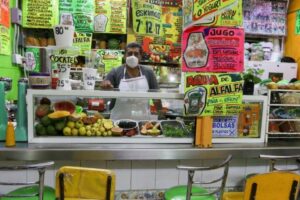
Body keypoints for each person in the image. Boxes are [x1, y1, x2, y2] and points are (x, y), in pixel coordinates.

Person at [100, 42, 162, 120]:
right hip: (119, 119)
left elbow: (156, 96)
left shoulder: (148, 72)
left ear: (140, 56)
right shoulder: (115, 71)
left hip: (142, 120)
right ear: (124, 56)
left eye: (136, 54)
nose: (133, 56)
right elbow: (104, 85)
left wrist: (161, 114)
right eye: (129, 53)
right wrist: (105, 84)